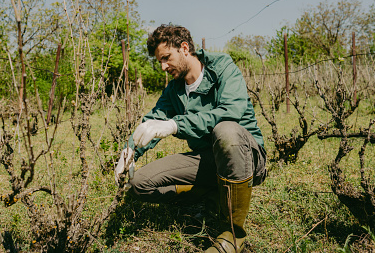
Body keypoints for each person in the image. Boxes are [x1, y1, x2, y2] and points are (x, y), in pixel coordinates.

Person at [114, 24, 267, 253]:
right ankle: (210, 193)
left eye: (166, 58)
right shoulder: (174, 90)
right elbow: (152, 120)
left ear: (184, 48)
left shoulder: (222, 67)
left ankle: (232, 236)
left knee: (226, 130)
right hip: (208, 161)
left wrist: (175, 125)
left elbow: (231, 112)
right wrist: (129, 152)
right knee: (139, 184)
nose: (164, 67)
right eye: (160, 62)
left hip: (245, 159)